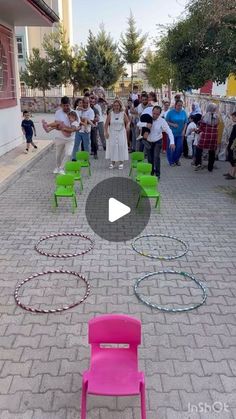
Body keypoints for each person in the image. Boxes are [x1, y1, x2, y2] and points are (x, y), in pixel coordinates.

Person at [138, 106, 175, 178]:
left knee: (156, 156)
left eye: (157, 114)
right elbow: (138, 124)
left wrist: (172, 142)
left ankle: (158, 174)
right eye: (154, 113)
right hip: (149, 141)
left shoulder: (162, 121)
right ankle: (151, 172)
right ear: (152, 112)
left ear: (160, 114)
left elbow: (169, 131)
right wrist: (145, 124)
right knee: (150, 158)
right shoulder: (148, 117)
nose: (155, 115)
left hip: (158, 141)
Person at [50, 96, 74, 174]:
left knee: (69, 153)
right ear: (61, 105)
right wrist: (59, 128)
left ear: (70, 104)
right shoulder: (58, 112)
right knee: (58, 155)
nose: (66, 107)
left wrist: (69, 129)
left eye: (67, 105)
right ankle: (57, 167)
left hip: (70, 138)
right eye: (64, 106)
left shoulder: (74, 112)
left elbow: (76, 125)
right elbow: (57, 124)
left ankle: (61, 168)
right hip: (60, 137)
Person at [104, 99, 129, 169]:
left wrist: (127, 126)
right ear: (113, 106)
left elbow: (128, 122)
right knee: (113, 146)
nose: (116, 107)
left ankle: (121, 162)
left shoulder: (123, 113)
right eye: (115, 105)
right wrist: (106, 132)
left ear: (120, 106)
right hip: (112, 132)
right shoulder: (110, 114)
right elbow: (106, 124)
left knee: (121, 146)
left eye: (117, 105)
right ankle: (112, 162)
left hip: (121, 132)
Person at [194, 103, 219, 172]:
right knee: (212, 152)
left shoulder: (204, 116)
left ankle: (198, 163)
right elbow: (217, 126)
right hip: (214, 137)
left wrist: (197, 131)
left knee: (199, 149)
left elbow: (201, 127)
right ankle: (210, 168)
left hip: (205, 137)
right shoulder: (217, 117)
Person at [166, 99, 188, 166]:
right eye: (178, 105)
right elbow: (166, 121)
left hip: (180, 134)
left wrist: (184, 130)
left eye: (181, 105)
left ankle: (176, 159)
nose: (180, 107)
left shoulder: (184, 112)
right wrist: (173, 124)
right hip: (171, 134)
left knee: (179, 148)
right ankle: (171, 161)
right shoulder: (170, 112)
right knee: (171, 148)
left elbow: (186, 122)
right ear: (175, 105)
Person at [224, 111, 236, 179]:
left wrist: (232, 146)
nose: (232, 118)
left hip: (233, 146)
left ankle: (232, 174)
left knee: (233, 160)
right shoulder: (234, 125)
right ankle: (230, 172)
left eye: (234, 117)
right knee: (230, 158)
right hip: (231, 144)